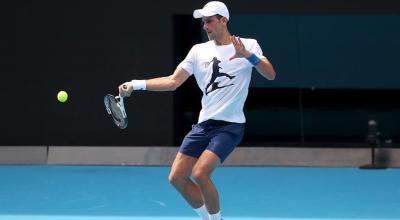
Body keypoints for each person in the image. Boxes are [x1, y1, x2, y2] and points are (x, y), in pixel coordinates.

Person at [118, 1, 276, 219]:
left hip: (230, 126)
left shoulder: (248, 45)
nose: (205, 26)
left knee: (200, 173)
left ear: (223, 20)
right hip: (204, 125)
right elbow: (173, 81)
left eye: (209, 21)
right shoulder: (198, 51)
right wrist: (136, 84)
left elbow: (270, 74)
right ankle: (206, 217)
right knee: (176, 178)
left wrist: (249, 55)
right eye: (203, 22)